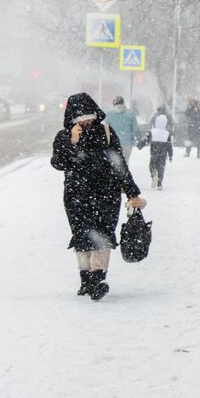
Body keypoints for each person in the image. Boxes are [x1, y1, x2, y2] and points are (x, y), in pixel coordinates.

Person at [50, 93, 146, 300]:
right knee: (82, 237)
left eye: (88, 117)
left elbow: (119, 165)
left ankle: (97, 279)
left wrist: (132, 192)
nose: (85, 122)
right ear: (71, 119)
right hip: (77, 195)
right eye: (79, 119)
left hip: (106, 194)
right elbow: (58, 164)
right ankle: (86, 281)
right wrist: (72, 142)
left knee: (102, 236)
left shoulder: (106, 133)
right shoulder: (64, 136)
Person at [104, 96, 141, 166]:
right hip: (128, 142)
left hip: (114, 142)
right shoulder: (131, 113)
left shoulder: (110, 114)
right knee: (125, 161)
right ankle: (124, 175)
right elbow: (136, 128)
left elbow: (106, 129)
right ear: (123, 103)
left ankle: (116, 175)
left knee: (115, 161)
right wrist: (139, 138)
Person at [148, 104, 173, 189]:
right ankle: (159, 183)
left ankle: (154, 175)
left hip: (154, 151)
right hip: (163, 153)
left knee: (152, 165)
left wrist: (139, 145)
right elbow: (169, 145)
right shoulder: (167, 134)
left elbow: (146, 139)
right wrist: (170, 155)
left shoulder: (152, 131)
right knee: (161, 167)